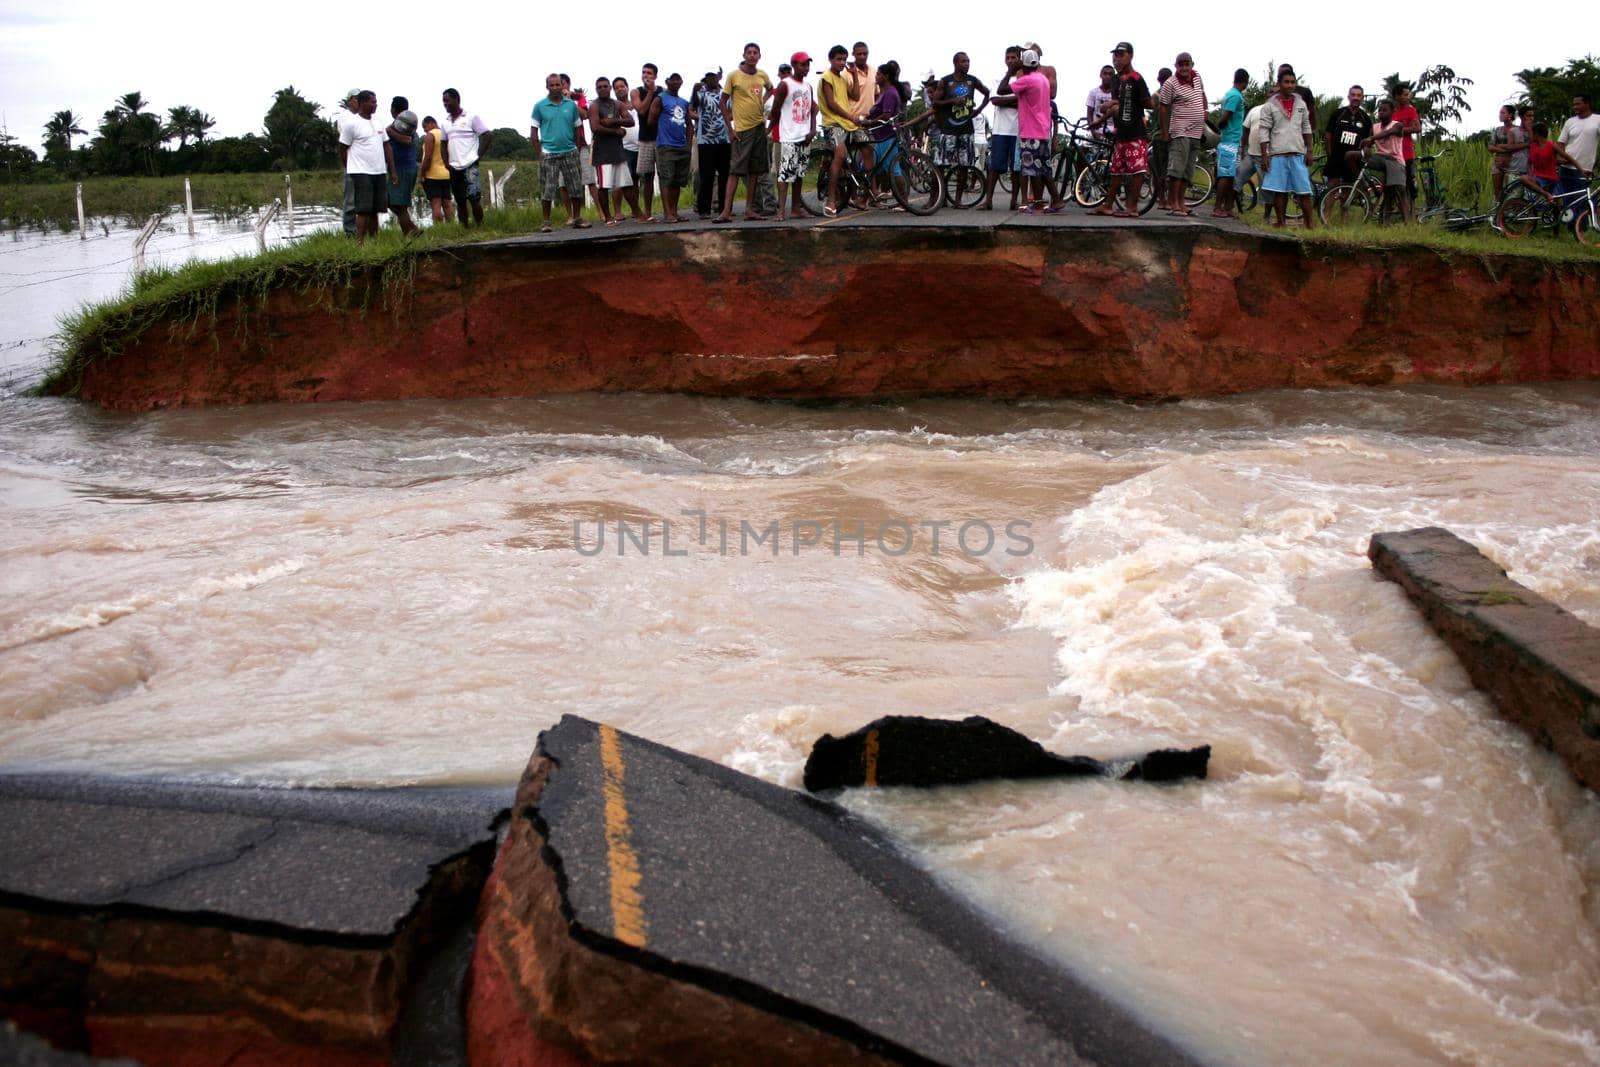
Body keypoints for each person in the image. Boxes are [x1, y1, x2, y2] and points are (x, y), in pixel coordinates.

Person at [1090, 41, 1151, 219]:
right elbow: (1117, 105)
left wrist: (1117, 104)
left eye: (1120, 54)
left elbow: (1148, 103)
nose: (1116, 58)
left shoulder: (1137, 78)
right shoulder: (1116, 80)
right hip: (1121, 131)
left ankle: (1132, 207)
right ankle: (1108, 205)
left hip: (1135, 131)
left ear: (1130, 56)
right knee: (1116, 170)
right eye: (1115, 55)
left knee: (1137, 171)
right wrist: (1100, 119)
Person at [715, 43, 774, 223]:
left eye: (755, 52)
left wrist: (762, 100)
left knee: (755, 170)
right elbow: (723, 102)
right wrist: (730, 129)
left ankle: (750, 209)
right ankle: (726, 211)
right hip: (741, 129)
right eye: (749, 52)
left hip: (758, 126)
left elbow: (772, 88)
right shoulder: (734, 76)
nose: (752, 55)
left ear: (759, 56)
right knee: (735, 170)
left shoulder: (762, 74)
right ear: (744, 55)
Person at [530, 73, 593, 232]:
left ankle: (577, 219)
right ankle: (546, 222)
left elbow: (578, 126)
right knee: (547, 188)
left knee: (575, 187)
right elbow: (533, 132)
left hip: (570, 151)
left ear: (562, 86)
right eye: (552, 85)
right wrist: (539, 154)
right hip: (549, 153)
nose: (555, 88)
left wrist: (577, 148)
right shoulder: (539, 106)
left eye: (558, 84)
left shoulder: (571, 105)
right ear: (547, 87)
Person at [930, 51, 991, 202]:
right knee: (940, 165)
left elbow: (987, 93)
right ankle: (934, 199)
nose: (967, 64)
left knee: (964, 166)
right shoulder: (945, 81)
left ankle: (958, 201)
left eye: (968, 61)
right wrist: (952, 101)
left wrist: (978, 110)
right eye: (963, 61)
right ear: (955, 63)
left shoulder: (972, 81)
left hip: (966, 129)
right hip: (948, 129)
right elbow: (935, 103)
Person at [1258, 70, 1315, 229]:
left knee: (1304, 191)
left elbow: (1306, 127)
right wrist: (1264, 156)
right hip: (1277, 154)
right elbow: (1264, 131)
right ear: (1279, 84)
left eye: (1292, 82)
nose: (1290, 85)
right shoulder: (1270, 105)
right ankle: (1281, 222)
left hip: (1298, 153)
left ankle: (1310, 223)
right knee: (1279, 191)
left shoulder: (1301, 104)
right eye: (1286, 82)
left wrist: (1309, 150)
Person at [339, 91, 395, 244]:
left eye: (376, 102)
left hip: (379, 171)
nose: (375, 104)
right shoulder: (351, 124)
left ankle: (374, 241)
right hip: (361, 172)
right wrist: (350, 168)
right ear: (362, 103)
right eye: (372, 102)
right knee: (363, 210)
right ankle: (359, 243)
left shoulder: (378, 122)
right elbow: (343, 148)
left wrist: (392, 170)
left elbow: (387, 146)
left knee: (376, 210)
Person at [1013, 49, 1065, 214]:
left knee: (1030, 168)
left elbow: (1002, 89)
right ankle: (1053, 200)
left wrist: (1010, 71)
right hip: (1042, 129)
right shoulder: (1042, 79)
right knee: (1042, 169)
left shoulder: (1027, 80)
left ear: (1024, 63)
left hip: (1030, 130)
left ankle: (1039, 202)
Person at [1156, 52, 1206, 215]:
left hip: (1196, 132)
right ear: (1176, 66)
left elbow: (1202, 93)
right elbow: (1163, 107)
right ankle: (1173, 203)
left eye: (1187, 64)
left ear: (1192, 64)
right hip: (1180, 131)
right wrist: (1165, 132)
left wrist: (1205, 108)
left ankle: (1181, 202)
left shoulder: (1197, 77)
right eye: (1181, 64)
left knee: (1188, 170)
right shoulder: (1170, 83)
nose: (1184, 67)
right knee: (1177, 169)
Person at [769, 53, 817, 220]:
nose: (806, 68)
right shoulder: (785, 85)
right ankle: (781, 210)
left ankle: (796, 208)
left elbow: (812, 110)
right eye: (803, 65)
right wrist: (768, 130)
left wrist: (813, 130)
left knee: (799, 175)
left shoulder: (808, 87)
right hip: (789, 136)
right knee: (785, 174)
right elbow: (775, 110)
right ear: (794, 66)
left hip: (805, 136)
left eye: (807, 65)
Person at [590, 76, 641, 225]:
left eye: (605, 86)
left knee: (627, 183)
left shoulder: (617, 104)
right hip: (602, 152)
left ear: (609, 88)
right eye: (599, 87)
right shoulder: (594, 106)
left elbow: (630, 121)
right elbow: (595, 127)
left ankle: (637, 212)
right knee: (604, 186)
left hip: (618, 150)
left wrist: (613, 122)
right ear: (596, 89)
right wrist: (616, 131)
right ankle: (608, 216)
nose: (603, 89)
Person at [817, 45, 859, 216]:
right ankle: (831, 200)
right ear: (831, 59)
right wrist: (850, 117)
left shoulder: (842, 79)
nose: (842, 62)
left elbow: (855, 95)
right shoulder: (827, 77)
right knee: (840, 155)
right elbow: (831, 103)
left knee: (865, 148)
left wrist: (855, 75)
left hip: (846, 124)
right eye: (839, 59)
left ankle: (861, 196)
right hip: (833, 123)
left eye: (844, 59)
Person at [981, 46, 1024, 211]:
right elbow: (995, 100)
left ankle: (1014, 201)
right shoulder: (999, 78)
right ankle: (988, 200)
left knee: (1016, 168)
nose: (1011, 61)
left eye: (1014, 58)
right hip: (1000, 129)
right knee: (994, 167)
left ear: (1020, 59)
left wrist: (1008, 100)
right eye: (1008, 58)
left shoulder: (1024, 79)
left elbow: (1024, 102)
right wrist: (1015, 100)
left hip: (1018, 130)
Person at [441, 88, 492, 226]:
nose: (445, 104)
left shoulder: (471, 117)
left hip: (470, 164)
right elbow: (443, 144)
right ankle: (464, 229)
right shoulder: (445, 123)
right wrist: (446, 163)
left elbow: (487, 135)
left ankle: (480, 226)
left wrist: (478, 156)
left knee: (474, 198)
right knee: (459, 200)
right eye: (443, 102)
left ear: (457, 100)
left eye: (447, 101)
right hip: (454, 166)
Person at [1361, 98, 1413, 225]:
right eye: (1379, 111)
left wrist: (1371, 139)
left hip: (1395, 160)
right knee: (1352, 156)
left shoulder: (1397, 125)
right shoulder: (1374, 127)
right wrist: (1367, 149)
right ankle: (1365, 187)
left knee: (1398, 190)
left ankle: (1406, 221)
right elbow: (1368, 143)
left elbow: (1389, 132)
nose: (1381, 113)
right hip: (1380, 158)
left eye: (1384, 110)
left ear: (1392, 111)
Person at [654, 73, 694, 223]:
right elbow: (652, 119)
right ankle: (667, 213)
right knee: (666, 179)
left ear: (682, 82)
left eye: (678, 79)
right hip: (665, 145)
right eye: (673, 79)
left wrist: (688, 143)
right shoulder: (660, 98)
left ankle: (674, 212)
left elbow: (689, 124)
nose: (676, 81)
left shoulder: (683, 102)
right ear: (667, 81)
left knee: (677, 180)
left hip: (681, 145)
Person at [692, 71, 731, 218]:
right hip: (705, 141)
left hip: (724, 139)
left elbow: (732, 111)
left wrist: (725, 121)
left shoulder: (725, 94)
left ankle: (724, 208)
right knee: (706, 176)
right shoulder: (701, 93)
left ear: (719, 77)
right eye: (708, 76)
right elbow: (694, 105)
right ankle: (704, 210)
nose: (711, 79)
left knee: (724, 176)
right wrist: (694, 91)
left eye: (713, 76)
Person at [1211, 68, 1247, 218]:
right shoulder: (1235, 96)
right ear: (1245, 82)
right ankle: (1218, 207)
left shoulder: (1233, 94)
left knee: (1231, 176)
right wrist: (1220, 126)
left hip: (1233, 140)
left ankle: (1228, 207)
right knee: (1225, 175)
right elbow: (1225, 117)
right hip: (1229, 141)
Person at [1323, 85, 1373, 191]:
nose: (1356, 97)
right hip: (1336, 157)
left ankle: (1344, 207)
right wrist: (1330, 155)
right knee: (1331, 187)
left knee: (1348, 189)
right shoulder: (1338, 113)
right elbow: (1328, 136)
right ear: (1348, 97)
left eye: (1359, 95)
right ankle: (1326, 208)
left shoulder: (1366, 118)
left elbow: (1368, 140)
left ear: (1362, 98)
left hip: (1353, 160)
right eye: (1353, 95)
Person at [1556, 94, 1599, 213]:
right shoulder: (1570, 121)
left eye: (1578, 104)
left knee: (1581, 198)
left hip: (1584, 168)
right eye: (1574, 104)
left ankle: (1580, 226)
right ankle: (1569, 224)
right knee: (1567, 197)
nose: (1575, 106)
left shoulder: (1597, 120)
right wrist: (1561, 158)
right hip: (1566, 166)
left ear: (1587, 104)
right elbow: (1560, 143)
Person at [631, 65, 664, 219]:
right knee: (647, 177)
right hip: (645, 139)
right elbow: (642, 110)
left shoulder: (662, 91)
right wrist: (650, 91)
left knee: (665, 176)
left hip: (661, 138)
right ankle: (648, 212)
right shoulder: (636, 92)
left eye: (649, 73)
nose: (646, 75)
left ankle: (668, 211)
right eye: (643, 72)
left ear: (655, 76)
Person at [385, 97, 420, 236]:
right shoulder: (404, 125)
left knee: (399, 205)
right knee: (393, 202)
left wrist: (389, 131)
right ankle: (410, 229)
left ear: (392, 109)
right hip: (406, 168)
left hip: (401, 170)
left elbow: (407, 140)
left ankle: (411, 231)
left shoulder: (403, 126)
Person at [419, 116, 454, 224]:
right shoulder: (446, 135)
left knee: (436, 203)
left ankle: (439, 228)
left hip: (432, 175)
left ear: (431, 123)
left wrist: (422, 173)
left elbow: (428, 157)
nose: (425, 130)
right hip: (446, 174)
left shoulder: (431, 135)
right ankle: (452, 226)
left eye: (425, 126)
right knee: (447, 203)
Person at [1488, 104, 1526, 202]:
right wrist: (1506, 149)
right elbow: (1491, 146)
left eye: (1502, 112)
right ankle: (1497, 212)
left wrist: (1500, 146)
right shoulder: (1498, 130)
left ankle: (1510, 212)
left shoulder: (1518, 130)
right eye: (1500, 113)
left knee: (1511, 190)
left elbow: (1520, 146)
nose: (1500, 115)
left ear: (1510, 115)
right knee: (1497, 190)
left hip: (1513, 164)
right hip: (1498, 163)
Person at [1390, 84, 1422, 200]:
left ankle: (1412, 213)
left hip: (1407, 153)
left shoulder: (1411, 110)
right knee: (1393, 184)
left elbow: (1417, 128)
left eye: (1408, 94)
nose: (1408, 97)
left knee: (1409, 183)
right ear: (1397, 97)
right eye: (1405, 95)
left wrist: (1399, 130)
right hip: (1392, 153)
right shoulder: (1391, 112)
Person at [337, 89, 361, 236]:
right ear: (351, 100)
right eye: (357, 99)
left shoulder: (364, 117)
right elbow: (347, 140)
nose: (359, 101)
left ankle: (365, 230)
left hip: (366, 164)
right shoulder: (344, 118)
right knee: (350, 201)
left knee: (365, 201)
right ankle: (350, 232)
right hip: (352, 163)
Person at [1086, 65, 1115, 139]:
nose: (1107, 76)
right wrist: (1093, 133)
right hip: (1097, 131)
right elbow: (1089, 114)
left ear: (1114, 77)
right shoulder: (1093, 92)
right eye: (1105, 74)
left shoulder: (1117, 94)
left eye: (1110, 74)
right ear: (1100, 75)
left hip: (1113, 133)